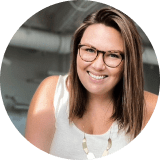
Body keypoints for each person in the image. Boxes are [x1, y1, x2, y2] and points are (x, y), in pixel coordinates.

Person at [25, 6, 158, 160]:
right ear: (76, 52)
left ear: (128, 64)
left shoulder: (151, 108)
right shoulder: (53, 92)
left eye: (113, 55)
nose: (98, 65)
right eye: (89, 50)